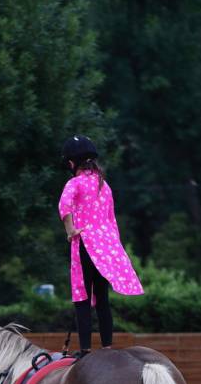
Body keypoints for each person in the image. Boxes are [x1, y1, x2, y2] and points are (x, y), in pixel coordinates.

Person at [58, 135, 143, 356]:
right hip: (106, 246)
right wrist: (114, 248)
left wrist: (70, 231)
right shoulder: (104, 186)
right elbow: (111, 219)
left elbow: (64, 206)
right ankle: (107, 346)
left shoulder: (74, 183)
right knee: (102, 298)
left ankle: (85, 349)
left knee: (82, 296)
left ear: (71, 163)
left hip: (85, 243)